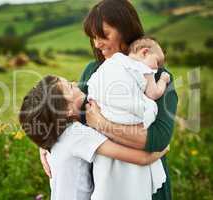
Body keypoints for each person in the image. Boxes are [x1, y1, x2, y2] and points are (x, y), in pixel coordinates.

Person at [40, 0, 178, 200]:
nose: (97, 43)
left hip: (149, 190)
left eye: (103, 35)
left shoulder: (157, 77)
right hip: (105, 185)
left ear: (125, 30)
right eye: (93, 37)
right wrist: (46, 142)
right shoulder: (94, 70)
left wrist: (101, 124)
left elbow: (157, 139)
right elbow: (68, 109)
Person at [19, 75, 168, 200]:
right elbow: (142, 159)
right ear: (67, 110)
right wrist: (163, 146)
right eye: (70, 87)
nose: (76, 84)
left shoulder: (57, 134)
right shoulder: (77, 135)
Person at [86, 37, 171, 199]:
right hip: (127, 121)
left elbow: (90, 92)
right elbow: (153, 94)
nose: (158, 68)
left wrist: (100, 122)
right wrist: (163, 80)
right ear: (145, 52)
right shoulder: (145, 70)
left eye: (103, 35)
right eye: (157, 63)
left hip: (104, 117)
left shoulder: (113, 63)